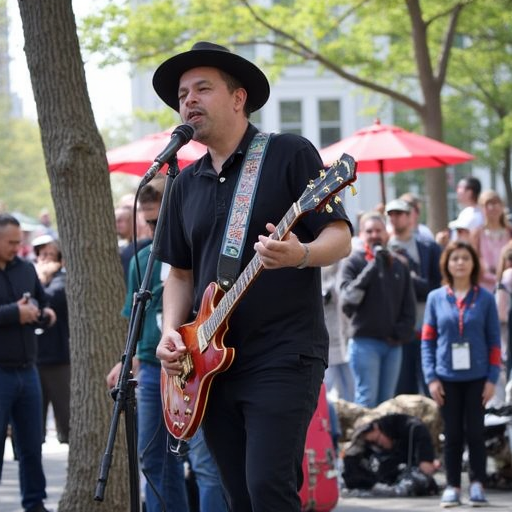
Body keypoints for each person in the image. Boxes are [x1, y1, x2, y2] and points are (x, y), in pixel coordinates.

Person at [152, 41, 353, 511]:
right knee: (238, 496)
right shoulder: (183, 184)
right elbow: (179, 274)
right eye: (183, 94)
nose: (189, 101)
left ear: (239, 98)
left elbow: (340, 236)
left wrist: (300, 253)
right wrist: (170, 333)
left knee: (268, 488)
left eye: (203, 88)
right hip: (207, 365)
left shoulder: (288, 153)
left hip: (283, 353)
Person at [106, 174, 227, 512]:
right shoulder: (140, 261)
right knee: (152, 458)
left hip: (200, 367)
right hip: (150, 370)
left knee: (206, 463)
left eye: (159, 221)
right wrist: (125, 359)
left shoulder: (202, 252)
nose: (154, 230)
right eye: (147, 223)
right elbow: (137, 319)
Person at [421, 241, 501, 507]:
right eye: (454, 258)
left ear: (473, 263)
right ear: (447, 264)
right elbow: (428, 341)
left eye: (465, 258)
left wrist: (492, 379)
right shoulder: (435, 298)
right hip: (446, 378)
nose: (460, 263)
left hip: (478, 377)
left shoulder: (486, 298)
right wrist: (431, 378)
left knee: (476, 433)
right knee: (452, 434)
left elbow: (494, 342)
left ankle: (478, 484)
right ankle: (453, 486)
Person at [0, 213, 56, 512]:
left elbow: (41, 300)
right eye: (10, 242)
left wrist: (46, 314)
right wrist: (13, 313)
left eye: (18, 241)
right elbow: (16, 311)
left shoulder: (25, 269)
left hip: (28, 370)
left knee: (32, 446)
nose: (15, 247)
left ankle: (35, 504)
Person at [340, 211, 416, 408]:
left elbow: (409, 306)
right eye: (369, 231)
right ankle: (365, 439)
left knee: (387, 404)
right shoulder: (353, 262)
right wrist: (373, 267)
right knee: (367, 400)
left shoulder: (399, 264)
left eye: (378, 230)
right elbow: (348, 301)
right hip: (364, 343)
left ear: (387, 233)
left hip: (392, 346)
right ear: (362, 235)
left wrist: (399, 334)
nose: (375, 235)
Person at [386, 198, 441, 396]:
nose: (394, 219)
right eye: (391, 214)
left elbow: (435, 287)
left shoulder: (429, 248)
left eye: (399, 214)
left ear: (410, 217)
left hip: (427, 327)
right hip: (400, 331)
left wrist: (408, 276)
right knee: (404, 390)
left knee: (431, 387)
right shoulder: (383, 250)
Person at [342, 413, 439, 496]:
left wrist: (426, 459)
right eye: (373, 444)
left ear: (377, 427)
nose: (378, 445)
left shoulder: (405, 427)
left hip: (411, 467)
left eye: (378, 441)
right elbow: (351, 457)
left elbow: (419, 430)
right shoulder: (370, 445)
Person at [32, 235, 70, 444]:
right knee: (34, 423)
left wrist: (41, 279)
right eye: (41, 254)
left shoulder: (61, 280)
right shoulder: (34, 278)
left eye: (50, 254)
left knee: (65, 417)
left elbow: (53, 297)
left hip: (58, 359)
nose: (44, 259)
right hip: (34, 358)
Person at [470, 189, 512, 292]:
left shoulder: (509, 232)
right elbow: (474, 260)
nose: (492, 207)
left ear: (502, 206)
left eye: (495, 203)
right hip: (484, 286)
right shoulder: (476, 233)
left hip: (508, 283)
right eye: (487, 204)